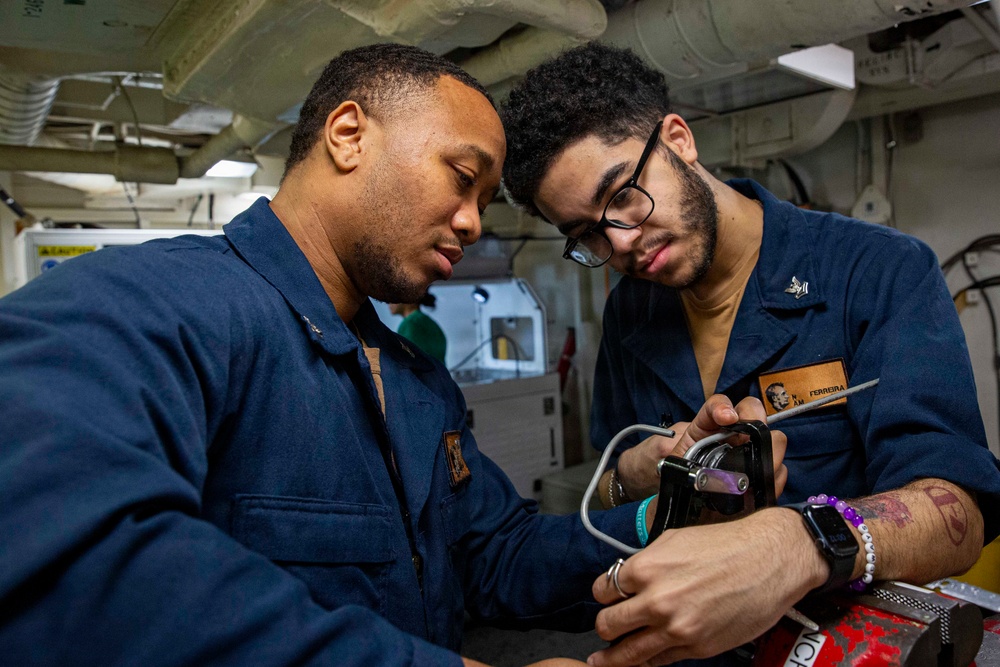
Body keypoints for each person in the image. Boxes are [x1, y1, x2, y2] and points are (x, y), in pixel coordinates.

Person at [0, 43, 664, 667]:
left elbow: (498, 555)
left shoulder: (419, 384)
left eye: (484, 202)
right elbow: (62, 554)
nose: (471, 221)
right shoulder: (150, 302)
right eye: (463, 177)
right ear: (347, 135)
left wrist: (656, 516)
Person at [500, 42, 1000, 666]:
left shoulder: (874, 272)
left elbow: (957, 507)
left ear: (678, 139)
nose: (622, 242)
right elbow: (606, 488)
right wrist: (637, 473)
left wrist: (798, 543)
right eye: (588, 235)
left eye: (623, 195)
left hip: (842, 646)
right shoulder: (633, 309)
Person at [390, 292, 447, 363]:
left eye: (393, 296)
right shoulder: (431, 323)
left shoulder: (410, 323)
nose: (389, 301)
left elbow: (407, 359)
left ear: (408, 297)